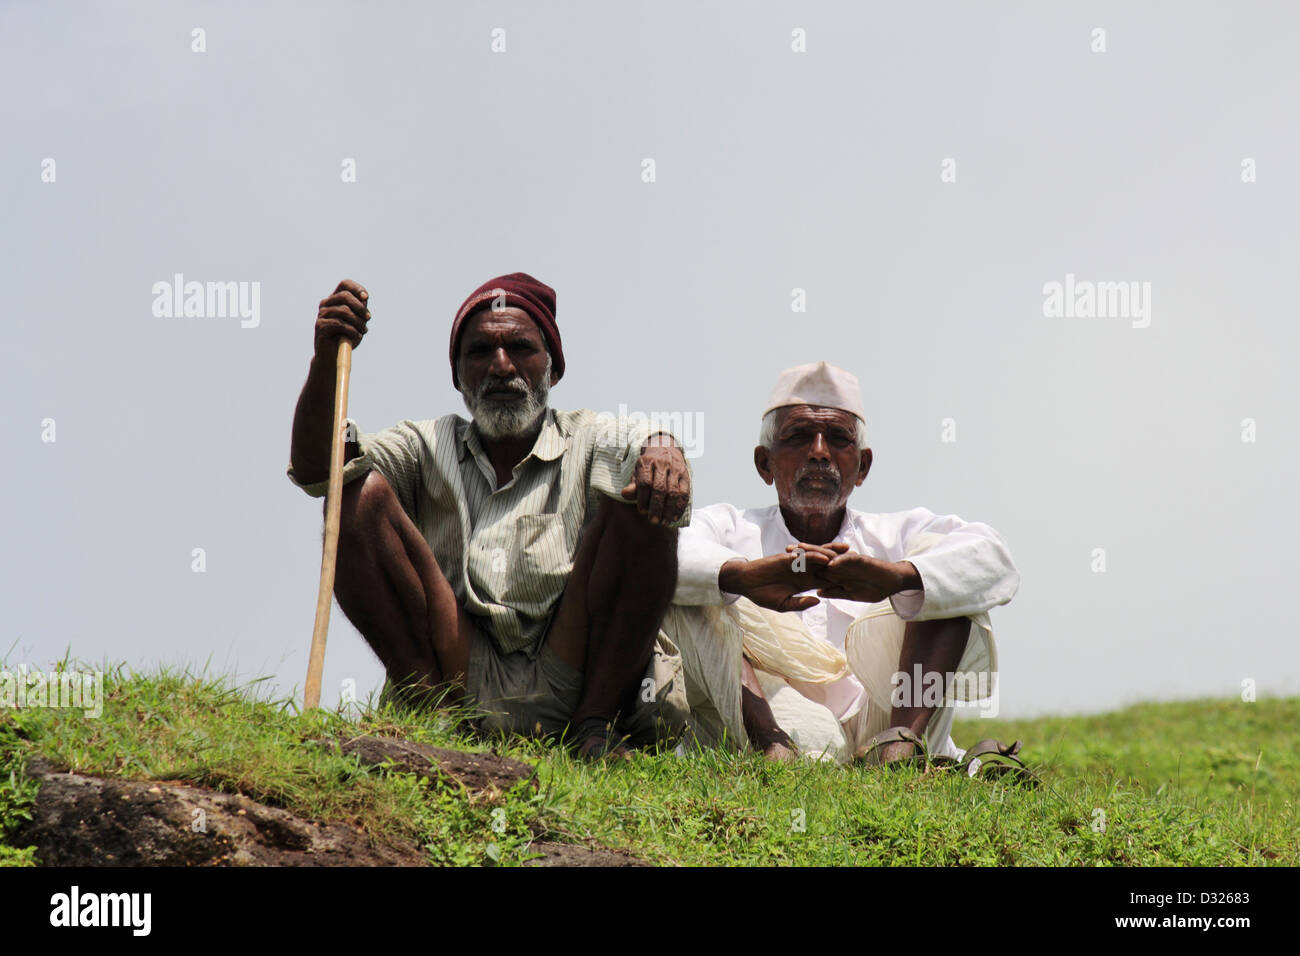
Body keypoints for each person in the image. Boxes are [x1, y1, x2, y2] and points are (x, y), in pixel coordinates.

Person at [286, 273, 694, 759]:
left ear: (553, 370)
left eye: (520, 348)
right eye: (480, 353)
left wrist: (663, 448)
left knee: (642, 506)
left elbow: (640, 440)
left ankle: (594, 729)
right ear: (458, 377)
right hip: (458, 670)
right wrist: (328, 356)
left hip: (576, 668)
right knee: (354, 493)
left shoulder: (587, 435)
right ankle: (433, 713)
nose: (501, 366)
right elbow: (319, 469)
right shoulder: (426, 444)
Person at [666, 361, 1020, 765]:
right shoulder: (731, 528)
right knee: (689, 595)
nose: (819, 452)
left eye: (837, 439)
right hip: (774, 726)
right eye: (799, 437)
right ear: (765, 463)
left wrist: (896, 578)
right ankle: (775, 746)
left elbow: (993, 558)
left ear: (863, 466)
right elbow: (660, 556)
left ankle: (899, 752)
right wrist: (745, 577)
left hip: (883, 723)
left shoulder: (894, 534)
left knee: (947, 585)